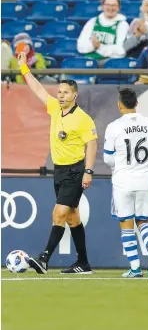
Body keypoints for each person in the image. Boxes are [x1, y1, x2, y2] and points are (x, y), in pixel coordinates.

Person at [17, 52, 98, 275]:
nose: (61, 96)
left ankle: (44, 258)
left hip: (75, 170)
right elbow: (37, 89)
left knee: (59, 213)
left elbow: (92, 144)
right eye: (59, 92)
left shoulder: (83, 118)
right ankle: (83, 263)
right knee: (72, 217)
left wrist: (88, 171)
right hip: (59, 170)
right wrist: (24, 68)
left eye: (65, 93)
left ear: (75, 95)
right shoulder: (54, 108)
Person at [103, 88, 148, 278]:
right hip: (145, 179)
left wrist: (120, 163)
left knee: (126, 224)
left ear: (119, 105)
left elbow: (107, 159)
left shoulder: (113, 127)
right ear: (137, 103)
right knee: (144, 221)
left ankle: (135, 269)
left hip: (123, 181)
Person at [77, 0, 129, 64]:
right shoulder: (92, 21)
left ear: (118, 8)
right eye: (108, 5)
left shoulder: (123, 25)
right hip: (88, 60)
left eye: (114, 5)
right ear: (102, 6)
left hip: (108, 63)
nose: (110, 8)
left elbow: (121, 51)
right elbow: (80, 46)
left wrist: (99, 47)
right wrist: (93, 46)